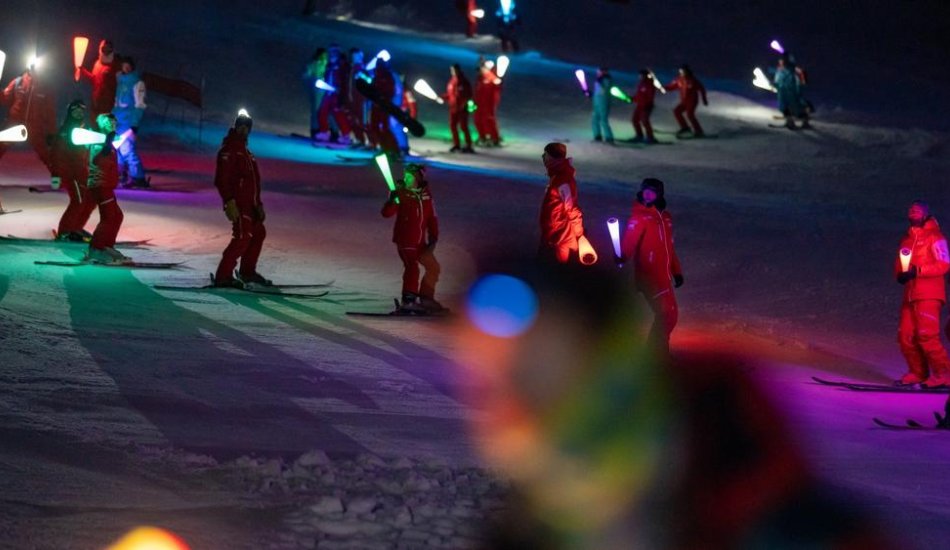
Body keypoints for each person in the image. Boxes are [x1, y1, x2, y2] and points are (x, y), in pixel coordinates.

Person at [617, 178, 684, 356]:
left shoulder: (665, 218)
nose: (648, 195)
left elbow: (669, 247)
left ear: (659, 194)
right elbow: (629, 242)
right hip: (650, 276)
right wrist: (622, 256)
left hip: (664, 277)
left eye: (652, 192)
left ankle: (657, 353)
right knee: (667, 314)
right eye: (645, 192)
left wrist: (676, 271)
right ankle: (655, 355)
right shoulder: (640, 217)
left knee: (669, 315)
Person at [894, 200, 950, 387]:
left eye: (918, 210)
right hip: (910, 294)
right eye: (911, 209)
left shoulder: (936, 236)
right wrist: (900, 275)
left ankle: (944, 374)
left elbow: (944, 264)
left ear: (926, 213)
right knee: (905, 336)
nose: (913, 211)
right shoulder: (907, 239)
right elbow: (901, 263)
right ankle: (918, 372)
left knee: (927, 335)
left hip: (929, 293)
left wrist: (918, 271)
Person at [213, 111, 271, 287]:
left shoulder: (246, 153)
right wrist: (229, 201)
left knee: (258, 233)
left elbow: (253, 182)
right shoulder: (229, 150)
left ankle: (247, 272)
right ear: (236, 127)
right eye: (241, 126)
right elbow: (221, 179)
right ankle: (223, 275)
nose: (244, 130)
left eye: (247, 127)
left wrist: (258, 204)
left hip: (250, 205)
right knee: (242, 236)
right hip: (238, 204)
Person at [381, 163, 442, 312]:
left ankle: (426, 298)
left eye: (410, 177)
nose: (406, 179)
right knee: (412, 267)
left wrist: (433, 237)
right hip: (405, 240)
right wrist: (392, 199)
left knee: (433, 267)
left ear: (418, 178)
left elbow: (432, 218)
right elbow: (386, 213)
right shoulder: (401, 193)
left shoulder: (427, 195)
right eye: (405, 176)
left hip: (420, 242)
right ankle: (408, 301)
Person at [84, 113, 129, 264]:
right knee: (109, 217)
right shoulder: (99, 141)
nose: (112, 124)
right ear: (102, 124)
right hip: (100, 186)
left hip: (106, 185)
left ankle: (106, 246)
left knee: (117, 216)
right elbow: (97, 162)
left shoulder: (108, 141)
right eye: (108, 122)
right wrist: (105, 148)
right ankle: (96, 249)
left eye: (114, 121)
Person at [50, 100, 95, 242]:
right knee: (78, 201)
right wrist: (56, 175)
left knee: (88, 201)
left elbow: (88, 151)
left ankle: (75, 228)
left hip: (82, 172)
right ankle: (64, 231)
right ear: (70, 113)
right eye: (75, 111)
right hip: (70, 173)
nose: (79, 113)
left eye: (81, 111)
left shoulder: (84, 128)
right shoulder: (66, 130)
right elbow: (56, 154)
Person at [537, 142, 587, 264]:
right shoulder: (557, 176)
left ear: (553, 159)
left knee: (554, 270)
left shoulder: (563, 180)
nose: (543, 158)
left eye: (546, 155)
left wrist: (579, 234)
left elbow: (572, 209)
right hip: (553, 234)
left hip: (560, 237)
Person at [0, 62, 56, 169]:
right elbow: (4, 99)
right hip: (15, 125)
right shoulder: (18, 82)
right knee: (1, 145)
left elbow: (50, 112)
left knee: (47, 154)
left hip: (35, 128)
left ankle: (56, 175)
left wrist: (51, 133)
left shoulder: (45, 87)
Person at [112, 56, 149, 188]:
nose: (126, 68)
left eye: (128, 66)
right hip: (118, 121)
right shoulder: (121, 82)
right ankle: (121, 174)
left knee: (127, 149)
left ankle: (138, 178)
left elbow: (140, 105)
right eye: (124, 65)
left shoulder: (137, 83)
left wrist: (134, 124)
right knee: (117, 148)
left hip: (128, 122)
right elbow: (117, 103)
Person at [77, 39, 120, 127]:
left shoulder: (115, 65)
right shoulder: (97, 64)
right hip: (96, 102)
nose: (106, 50)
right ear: (100, 49)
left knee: (106, 128)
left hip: (108, 104)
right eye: (104, 48)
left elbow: (120, 85)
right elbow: (94, 79)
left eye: (109, 48)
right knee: (94, 125)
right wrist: (82, 71)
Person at [317, 44, 351, 144]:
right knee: (322, 111)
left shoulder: (342, 65)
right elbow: (327, 76)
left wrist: (341, 90)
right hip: (329, 92)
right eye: (330, 51)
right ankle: (324, 132)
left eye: (334, 51)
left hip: (337, 93)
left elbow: (345, 79)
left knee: (338, 113)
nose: (331, 53)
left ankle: (346, 135)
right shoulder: (329, 65)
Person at [665, 64, 708, 138]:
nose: (681, 72)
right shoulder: (679, 79)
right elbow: (671, 87)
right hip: (684, 101)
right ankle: (685, 127)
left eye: (683, 71)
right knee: (677, 111)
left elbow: (702, 89)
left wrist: (704, 99)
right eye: (680, 71)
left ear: (687, 72)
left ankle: (699, 131)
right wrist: (664, 88)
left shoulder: (692, 80)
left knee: (690, 115)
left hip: (692, 101)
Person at [369, 59, 400, 156]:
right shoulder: (377, 75)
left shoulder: (386, 75)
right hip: (377, 105)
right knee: (375, 126)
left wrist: (383, 100)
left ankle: (393, 149)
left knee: (384, 127)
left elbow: (390, 91)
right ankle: (385, 147)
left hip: (383, 105)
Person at [444, 64, 474, 153]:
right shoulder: (452, 81)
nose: (453, 72)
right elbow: (450, 94)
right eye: (452, 70)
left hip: (462, 109)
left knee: (463, 126)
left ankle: (468, 145)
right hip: (453, 108)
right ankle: (456, 144)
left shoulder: (463, 81)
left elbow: (468, 94)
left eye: (454, 70)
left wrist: (464, 105)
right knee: (453, 126)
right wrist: (443, 97)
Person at [773, 55, 809, 129]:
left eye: (782, 61)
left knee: (797, 107)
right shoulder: (779, 71)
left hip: (791, 92)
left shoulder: (792, 70)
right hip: (782, 92)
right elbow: (777, 81)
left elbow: (798, 81)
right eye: (780, 61)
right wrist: (775, 85)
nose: (780, 63)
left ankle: (804, 122)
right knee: (784, 107)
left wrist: (798, 89)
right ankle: (789, 122)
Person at [302, 47, 329, 141]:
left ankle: (321, 131)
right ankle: (315, 130)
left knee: (322, 111)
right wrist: (314, 80)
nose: (324, 57)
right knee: (316, 111)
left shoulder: (326, 64)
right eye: (323, 55)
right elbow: (306, 75)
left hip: (324, 91)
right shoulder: (314, 64)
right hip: (317, 90)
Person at [474, 62, 502, 146]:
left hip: (488, 104)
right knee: (478, 120)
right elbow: (477, 91)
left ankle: (494, 138)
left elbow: (497, 89)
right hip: (479, 104)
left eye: (481, 68)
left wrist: (493, 103)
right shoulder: (480, 78)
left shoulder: (491, 77)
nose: (480, 71)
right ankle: (483, 136)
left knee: (489, 121)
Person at [631, 69, 657, 144]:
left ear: (645, 76)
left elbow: (650, 96)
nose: (640, 76)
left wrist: (647, 104)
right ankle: (639, 136)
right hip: (640, 105)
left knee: (645, 121)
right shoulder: (641, 84)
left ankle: (650, 137)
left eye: (641, 75)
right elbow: (640, 95)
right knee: (635, 120)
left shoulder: (649, 84)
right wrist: (632, 99)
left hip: (646, 105)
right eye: (639, 75)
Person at [590, 67, 614, 144]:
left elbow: (605, 89)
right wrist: (590, 94)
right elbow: (598, 91)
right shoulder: (598, 80)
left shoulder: (606, 79)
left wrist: (600, 83)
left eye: (600, 72)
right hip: (597, 101)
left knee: (603, 119)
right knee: (595, 118)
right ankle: (597, 135)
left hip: (603, 101)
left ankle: (609, 137)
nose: (598, 73)